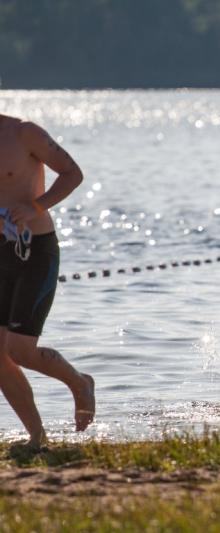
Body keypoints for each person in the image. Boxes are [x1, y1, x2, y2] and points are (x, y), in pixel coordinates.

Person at [0, 114, 95, 449]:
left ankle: (79, 383)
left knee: (20, 350)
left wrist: (35, 207)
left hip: (34, 252)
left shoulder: (24, 133)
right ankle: (37, 438)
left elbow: (73, 174)